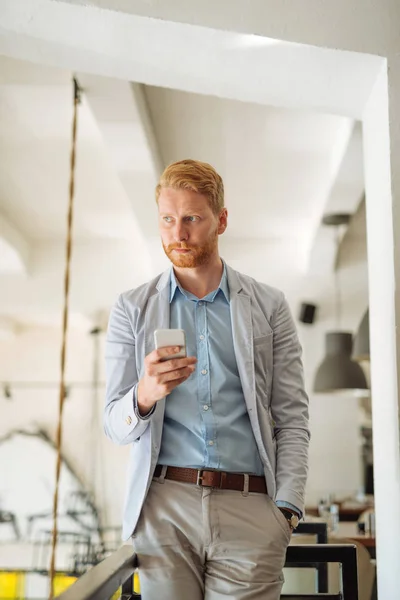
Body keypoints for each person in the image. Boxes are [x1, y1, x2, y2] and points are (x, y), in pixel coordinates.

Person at [105, 159, 310, 600]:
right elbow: (112, 423)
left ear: (221, 220)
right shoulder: (131, 309)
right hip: (163, 508)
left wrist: (286, 509)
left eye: (192, 219)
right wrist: (144, 395)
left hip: (250, 508)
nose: (178, 233)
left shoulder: (269, 307)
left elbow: (291, 416)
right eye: (167, 219)